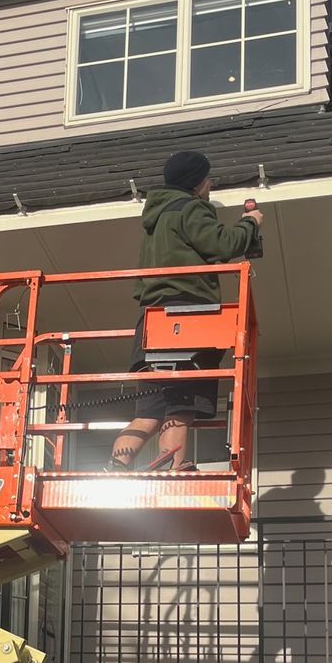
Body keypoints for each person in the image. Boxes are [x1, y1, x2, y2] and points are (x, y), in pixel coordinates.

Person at [109, 150, 263, 472]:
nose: (210, 185)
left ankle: (116, 467)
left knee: (149, 411)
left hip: (153, 322)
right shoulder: (190, 209)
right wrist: (249, 223)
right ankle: (174, 475)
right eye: (208, 179)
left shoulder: (156, 219)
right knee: (181, 406)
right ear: (198, 181)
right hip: (187, 320)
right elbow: (222, 244)